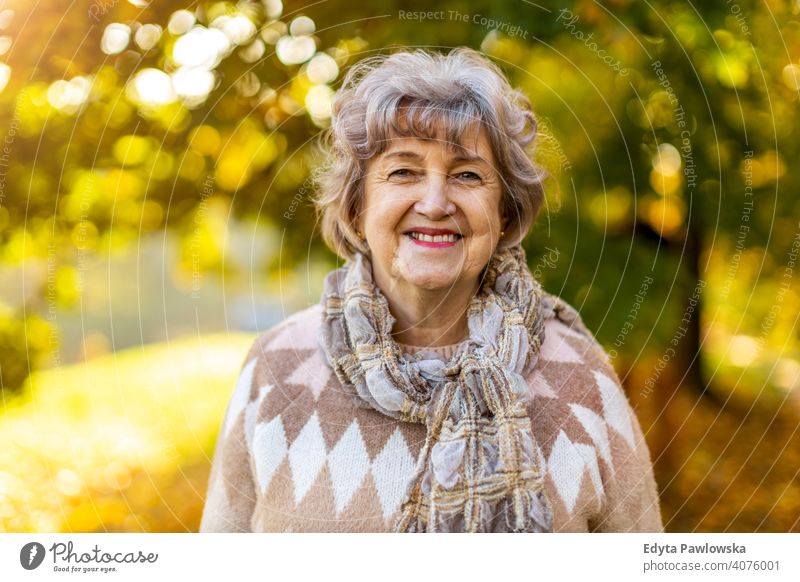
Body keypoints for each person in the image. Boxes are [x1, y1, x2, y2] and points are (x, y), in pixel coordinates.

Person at [200, 47, 662, 533]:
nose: (436, 203)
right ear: (357, 206)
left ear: (504, 212)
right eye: (403, 171)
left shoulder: (581, 380)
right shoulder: (276, 369)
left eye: (467, 174)